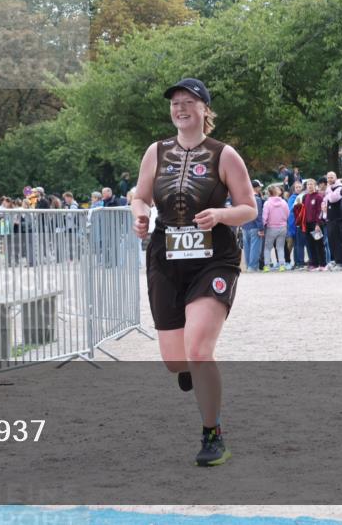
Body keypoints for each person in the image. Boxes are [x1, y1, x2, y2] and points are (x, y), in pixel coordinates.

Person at [131, 78, 256, 467]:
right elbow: (140, 194)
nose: (180, 108)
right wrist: (138, 212)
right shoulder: (156, 151)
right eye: (175, 103)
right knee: (176, 360)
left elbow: (249, 207)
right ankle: (188, 369)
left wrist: (220, 214)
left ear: (205, 109)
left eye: (188, 102)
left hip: (213, 259)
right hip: (166, 259)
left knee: (200, 350)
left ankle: (213, 434)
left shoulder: (225, 155)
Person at [261, 184, 288, 272]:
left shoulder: (267, 203)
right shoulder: (284, 202)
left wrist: (262, 225)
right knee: (280, 247)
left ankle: (267, 266)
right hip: (282, 227)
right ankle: (282, 265)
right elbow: (287, 214)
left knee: (267, 248)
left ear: (269, 193)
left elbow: (264, 217)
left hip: (271, 227)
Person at [322, 172, 342, 270]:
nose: (329, 179)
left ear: (335, 178)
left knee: (338, 241)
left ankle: (341, 262)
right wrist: (323, 206)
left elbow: (332, 199)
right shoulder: (330, 189)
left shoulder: (340, 188)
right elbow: (325, 200)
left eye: (331, 177)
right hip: (329, 218)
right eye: (328, 177)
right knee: (332, 241)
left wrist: (328, 189)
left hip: (338, 218)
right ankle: (335, 261)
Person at [302, 178, 327, 271]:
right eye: (308, 184)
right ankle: (314, 263)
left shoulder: (318, 197)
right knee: (310, 244)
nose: (310, 186)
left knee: (319, 244)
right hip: (307, 224)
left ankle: (323, 264)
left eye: (311, 184)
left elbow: (320, 211)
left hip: (315, 224)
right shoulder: (305, 197)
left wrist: (318, 224)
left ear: (315, 186)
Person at [242, 180, 264, 272]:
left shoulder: (243, 198)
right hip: (254, 226)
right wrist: (261, 228)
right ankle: (253, 266)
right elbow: (257, 215)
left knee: (247, 248)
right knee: (255, 248)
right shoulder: (257, 199)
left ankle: (248, 266)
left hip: (245, 225)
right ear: (256, 188)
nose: (260, 189)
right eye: (259, 187)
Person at [286, 181, 306, 269]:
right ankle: (297, 262)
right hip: (294, 224)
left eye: (299, 187)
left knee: (297, 243)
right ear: (294, 188)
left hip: (298, 223)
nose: (298, 188)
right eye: (296, 187)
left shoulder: (301, 196)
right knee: (296, 244)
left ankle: (297, 261)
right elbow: (290, 212)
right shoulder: (293, 198)